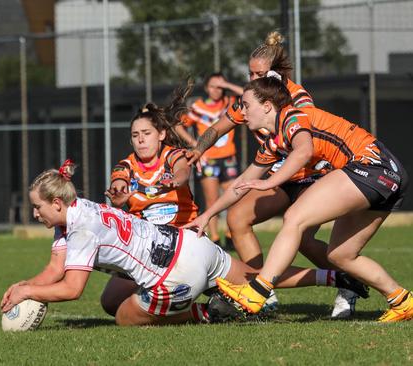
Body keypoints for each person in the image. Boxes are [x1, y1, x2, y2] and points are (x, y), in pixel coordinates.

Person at [0, 161, 368, 326]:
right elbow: (53, 271)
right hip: (191, 245)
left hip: (175, 274)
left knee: (124, 316)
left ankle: (209, 312)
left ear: (57, 203)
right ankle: (336, 279)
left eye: (37, 207)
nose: (34, 214)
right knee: (256, 276)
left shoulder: (79, 228)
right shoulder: (77, 212)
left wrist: (28, 293)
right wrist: (24, 287)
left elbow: (71, 287)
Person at [186, 76, 411, 322]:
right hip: (387, 175)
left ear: (267, 106)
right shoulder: (273, 144)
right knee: (340, 256)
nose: (243, 111)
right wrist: (207, 216)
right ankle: (402, 300)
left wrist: (270, 182)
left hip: (373, 167)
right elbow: (240, 185)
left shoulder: (294, 116)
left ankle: (258, 291)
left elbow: (304, 151)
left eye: (247, 105)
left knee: (295, 217)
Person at [184, 31, 359, 318]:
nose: (252, 78)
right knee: (237, 220)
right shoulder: (251, 98)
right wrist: (199, 149)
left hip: (312, 176)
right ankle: (262, 292)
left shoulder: (298, 99)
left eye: (259, 73)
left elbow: (305, 146)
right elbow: (217, 127)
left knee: (302, 237)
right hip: (279, 177)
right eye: (250, 72)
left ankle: (348, 284)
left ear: (276, 74)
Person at [101, 82, 197, 315]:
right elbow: (119, 182)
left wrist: (177, 180)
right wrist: (118, 195)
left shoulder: (172, 155)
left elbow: (183, 170)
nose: (141, 140)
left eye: (146, 133)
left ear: (162, 134)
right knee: (110, 303)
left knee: (219, 286)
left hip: (183, 238)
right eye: (135, 135)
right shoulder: (127, 164)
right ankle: (175, 305)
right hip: (145, 248)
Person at [174, 73, 242, 248]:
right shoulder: (198, 107)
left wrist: (227, 84)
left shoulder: (230, 103)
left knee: (234, 198)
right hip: (208, 160)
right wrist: (194, 143)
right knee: (211, 201)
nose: (216, 90)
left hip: (228, 158)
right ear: (206, 88)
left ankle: (230, 235)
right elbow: (177, 125)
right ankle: (215, 238)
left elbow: (249, 95)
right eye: (213, 86)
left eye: (220, 86)